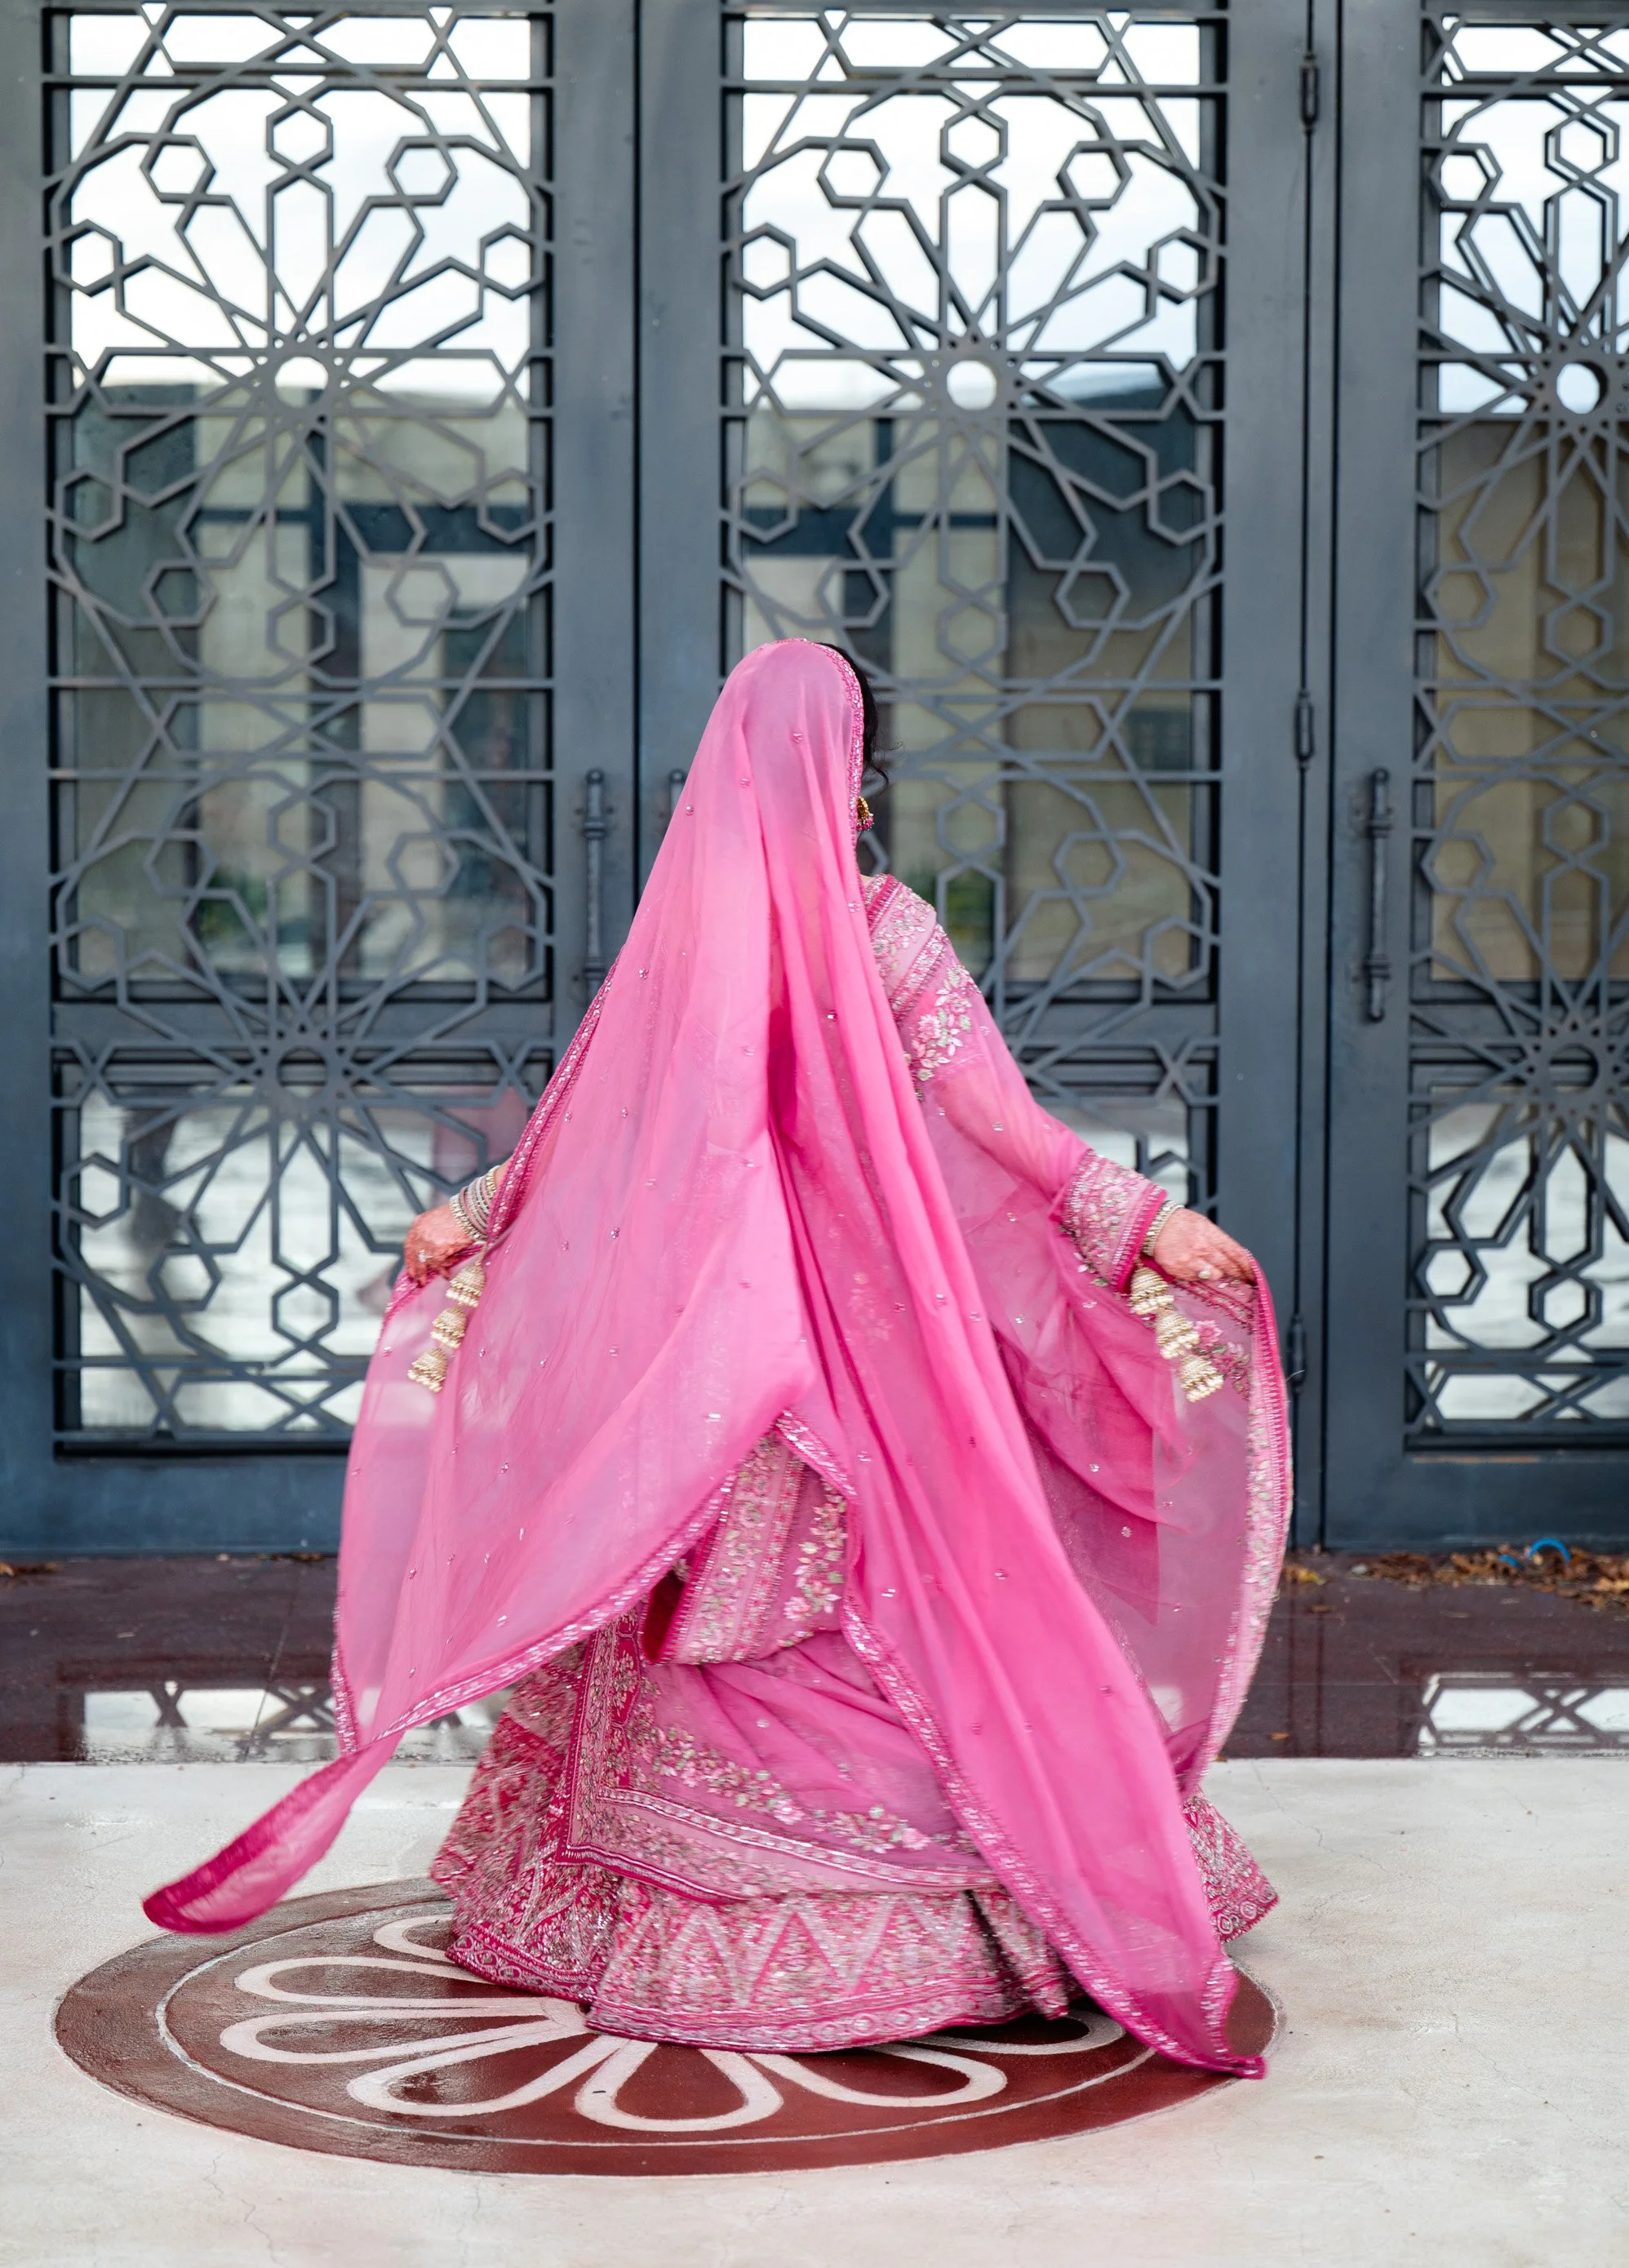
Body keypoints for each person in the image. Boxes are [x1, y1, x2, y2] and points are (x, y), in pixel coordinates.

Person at [146, 639, 1290, 2078]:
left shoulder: (699, 933)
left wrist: (476, 1213)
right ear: (854, 776)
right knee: (902, 1590)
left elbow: (593, 1133)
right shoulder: (882, 929)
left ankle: (663, 1903)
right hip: (870, 1347)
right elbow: (991, 1122)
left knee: (723, 1587)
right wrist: (1140, 1224)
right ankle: (940, 1907)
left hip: (709, 1344)